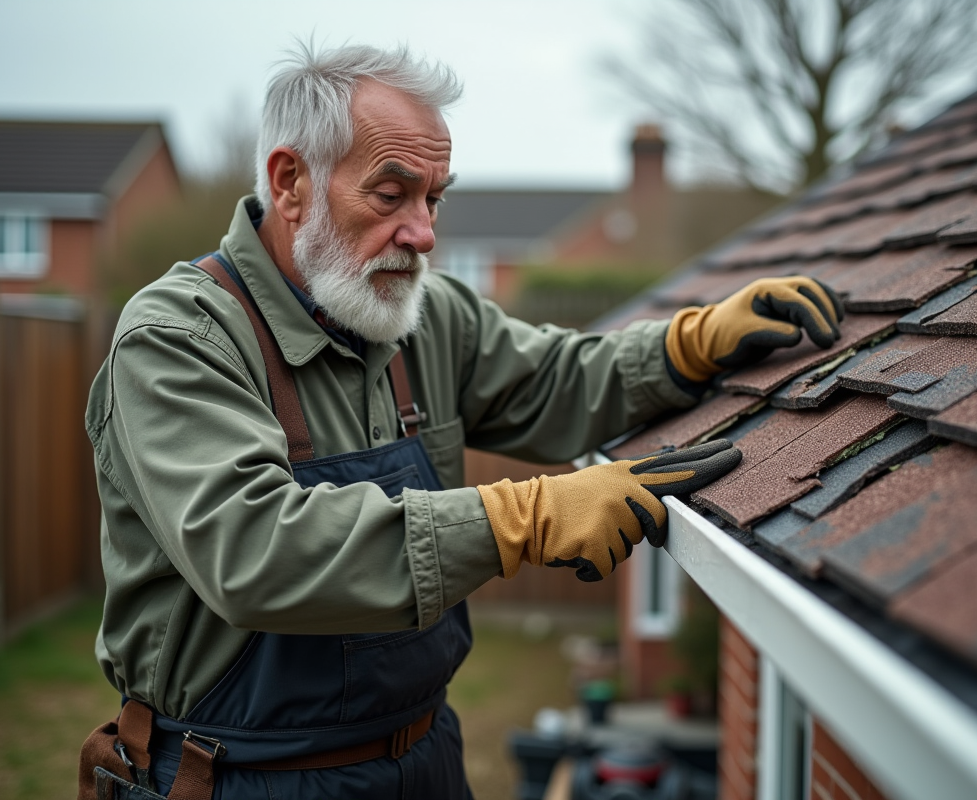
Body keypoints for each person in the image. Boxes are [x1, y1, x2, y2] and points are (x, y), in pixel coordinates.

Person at [79, 43, 843, 800]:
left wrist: (689, 346)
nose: (424, 233)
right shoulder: (180, 339)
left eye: (434, 198)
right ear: (291, 183)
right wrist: (524, 521)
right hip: (240, 774)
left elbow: (558, 381)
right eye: (391, 194)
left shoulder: (420, 316)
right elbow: (255, 550)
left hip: (426, 758)